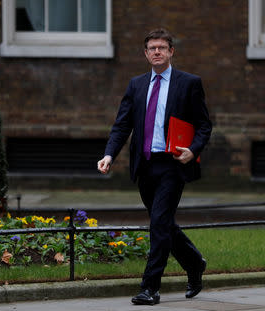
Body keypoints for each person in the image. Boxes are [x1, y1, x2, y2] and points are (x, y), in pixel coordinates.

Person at [97, 28, 212, 305]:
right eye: (152, 48)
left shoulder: (189, 83)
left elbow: (204, 125)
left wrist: (193, 151)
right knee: (164, 225)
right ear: (146, 53)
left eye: (162, 47)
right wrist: (109, 155)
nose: (157, 52)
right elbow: (122, 124)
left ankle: (150, 288)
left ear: (171, 51)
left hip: (173, 164)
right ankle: (195, 263)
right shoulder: (136, 85)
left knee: (159, 224)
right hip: (145, 165)